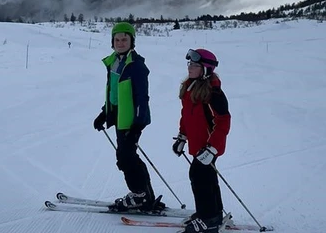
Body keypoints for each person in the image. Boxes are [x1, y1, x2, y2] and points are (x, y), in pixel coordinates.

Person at [93, 22, 159, 211]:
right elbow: (114, 93)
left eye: (125, 39)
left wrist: (137, 124)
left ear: (132, 41)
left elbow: (142, 97)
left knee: (125, 157)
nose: (121, 42)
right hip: (119, 117)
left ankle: (139, 194)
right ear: (112, 42)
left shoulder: (136, 65)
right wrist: (104, 114)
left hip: (132, 119)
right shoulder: (114, 62)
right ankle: (145, 193)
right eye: (117, 39)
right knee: (128, 156)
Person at [172, 48, 231, 233]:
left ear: (206, 69)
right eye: (190, 64)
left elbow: (223, 122)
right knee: (207, 177)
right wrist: (182, 137)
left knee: (199, 176)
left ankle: (209, 219)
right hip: (197, 145)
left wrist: (212, 148)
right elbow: (187, 116)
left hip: (208, 146)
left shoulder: (214, 93)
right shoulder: (190, 87)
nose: (190, 67)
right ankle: (213, 213)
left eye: (195, 65)